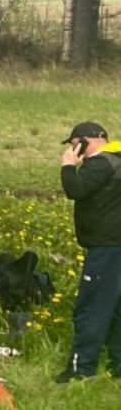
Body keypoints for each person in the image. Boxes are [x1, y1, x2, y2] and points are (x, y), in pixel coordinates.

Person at [57, 121, 121, 382]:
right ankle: (117, 365)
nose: (73, 148)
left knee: (92, 306)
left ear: (85, 140)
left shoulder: (100, 163)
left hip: (105, 248)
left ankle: (80, 368)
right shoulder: (117, 161)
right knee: (116, 308)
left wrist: (68, 166)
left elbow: (75, 189)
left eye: (74, 143)